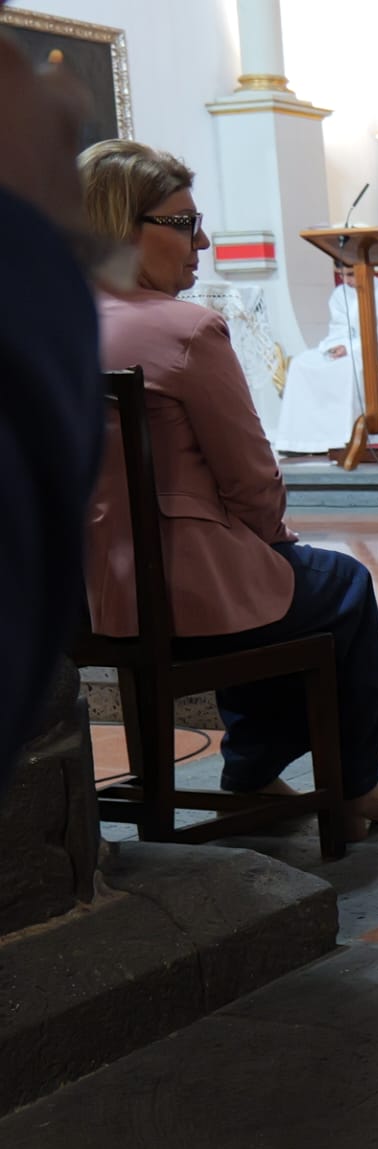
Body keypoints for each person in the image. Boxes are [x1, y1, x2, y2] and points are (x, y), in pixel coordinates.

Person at [76, 139, 378, 838]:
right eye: (183, 223)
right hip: (179, 596)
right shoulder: (186, 331)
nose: (201, 241)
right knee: (337, 586)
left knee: (259, 578)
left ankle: (258, 769)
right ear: (123, 227)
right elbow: (253, 481)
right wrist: (269, 543)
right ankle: (350, 786)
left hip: (73, 603)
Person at [0, 29, 100, 784]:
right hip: (200, 584)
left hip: (105, 597)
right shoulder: (188, 330)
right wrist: (27, 224)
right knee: (344, 591)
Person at [273, 271, 378, 454]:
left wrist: (349, 348)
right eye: (342, 275)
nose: (346, 280)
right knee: (301, 363)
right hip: (345, 347)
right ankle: (304, 440)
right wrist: (336, 347)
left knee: (349, 367)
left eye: (351, 274)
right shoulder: (340, 293)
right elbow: (337, 329)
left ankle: (346, 436)